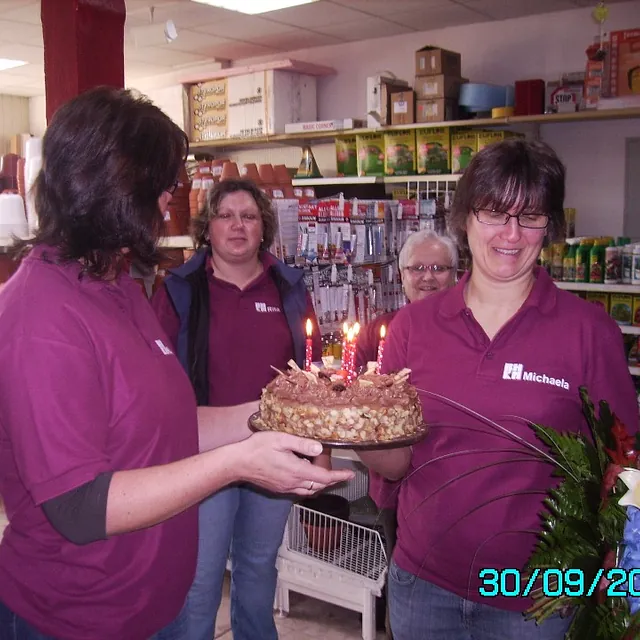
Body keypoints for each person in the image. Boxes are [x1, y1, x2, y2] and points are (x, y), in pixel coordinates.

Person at [0, 87, 352, 640]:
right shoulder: (42, 314)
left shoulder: (116, 286)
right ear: (115, 183)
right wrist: (238, 463)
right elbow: (79, 506)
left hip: (151, 607)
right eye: (162, 181)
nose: (172, 195)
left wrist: (281, 408)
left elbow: (165, 425)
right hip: (79, 618)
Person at [357, 139, 639, 640]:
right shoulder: (412, 328)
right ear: (465, 218)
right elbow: (399, 463)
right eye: (493, 213)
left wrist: (618, 572)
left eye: (529, 217)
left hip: (538, 601)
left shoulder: (588, 332)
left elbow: (624, 460)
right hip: (423, 586)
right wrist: (356, 428)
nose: (511, 234)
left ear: (548, 227)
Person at [151, 177, 331, 640]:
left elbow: (309, 375)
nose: (237, 226)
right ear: (207, 228)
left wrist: (319, 449)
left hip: (276, 452)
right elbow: (154, 379)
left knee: (257, 568)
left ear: (263, 227)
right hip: (202, 455)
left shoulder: (288, 288)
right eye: (225, 216)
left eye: (248, 216)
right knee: (201, 576)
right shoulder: (180, 289)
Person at [354, 229, 457, 640]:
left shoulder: (466, 330)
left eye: (438, 268)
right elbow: (357, 389)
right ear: (401, 274)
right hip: (396, 481)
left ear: (456, 273)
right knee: (401, 566)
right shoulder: (381, 328)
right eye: (418, 268)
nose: (428, 277)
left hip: (447, 480)